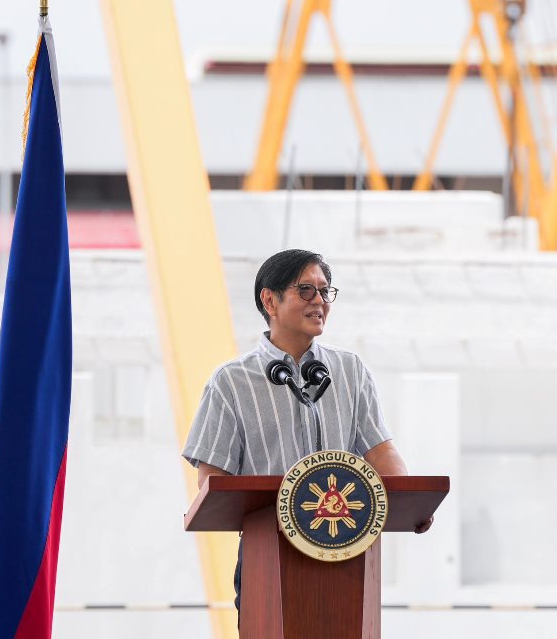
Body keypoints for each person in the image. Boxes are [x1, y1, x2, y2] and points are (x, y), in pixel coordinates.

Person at [182, 249, 433, 618]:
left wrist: (411, 501)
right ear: (270, 300)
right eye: (306, 290)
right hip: (266, 556)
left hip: (346, 552)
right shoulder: (231, 381)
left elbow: (380, 451)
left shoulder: (350, 370)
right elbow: (213, 478)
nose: (319, 301)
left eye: (325, 291)